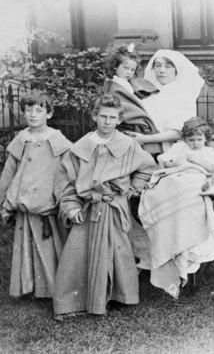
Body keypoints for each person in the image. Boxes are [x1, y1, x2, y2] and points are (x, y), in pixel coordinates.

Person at [53, 94, 156, 319]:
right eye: (103, 116)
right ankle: (76, 300)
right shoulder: (80, 147)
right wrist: (72, 208)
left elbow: (147, 166)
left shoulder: (128, 145)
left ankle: (120, 296)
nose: (107, 122)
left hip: (114, 207)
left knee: (119, 252)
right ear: (94, 117)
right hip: (88, 209)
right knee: (78, 254)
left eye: (112, 117)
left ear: (119, 119)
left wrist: (134, 188)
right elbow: (66, 182)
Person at [139, 117, 214, 299]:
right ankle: (166, 212)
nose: (195, 143)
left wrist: (195, 161)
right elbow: (166, 163)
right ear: (185, 139)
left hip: (197, 176)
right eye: (191, 140)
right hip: (176, 176)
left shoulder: (208, 151)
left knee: (192, 187)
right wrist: (175, 162)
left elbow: (212, 168)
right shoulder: (179, 148)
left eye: (199, 139)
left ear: (205, 138)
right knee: (165, 187)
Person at [0, 91, 72, 299]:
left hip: (46, 205)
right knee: (25, 247)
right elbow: (9, 172)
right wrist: (4, 197)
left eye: (39, 110)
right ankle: (28, 286)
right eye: (28, 110)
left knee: (49, 248)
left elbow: (68, 169)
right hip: (24, 205)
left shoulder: (57, 140)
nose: (33, 114)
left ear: (48, 114)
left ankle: (52, 289)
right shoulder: (21, 138)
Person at [124, 49, 205, 153]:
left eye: (168, 66)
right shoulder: (147, 92)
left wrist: (145, 139)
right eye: (158, 65)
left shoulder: (183, 96)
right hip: (140, 147)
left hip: (170, 150)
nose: (162, 70)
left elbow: (179, 132)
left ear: (176, 70)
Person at [103, 43, 161, 154]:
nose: (129, 72)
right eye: (125, 68)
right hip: (126, 123)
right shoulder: (115, 85)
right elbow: (125, 104)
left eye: (132, 70)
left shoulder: (126, 83)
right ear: (115, 66)